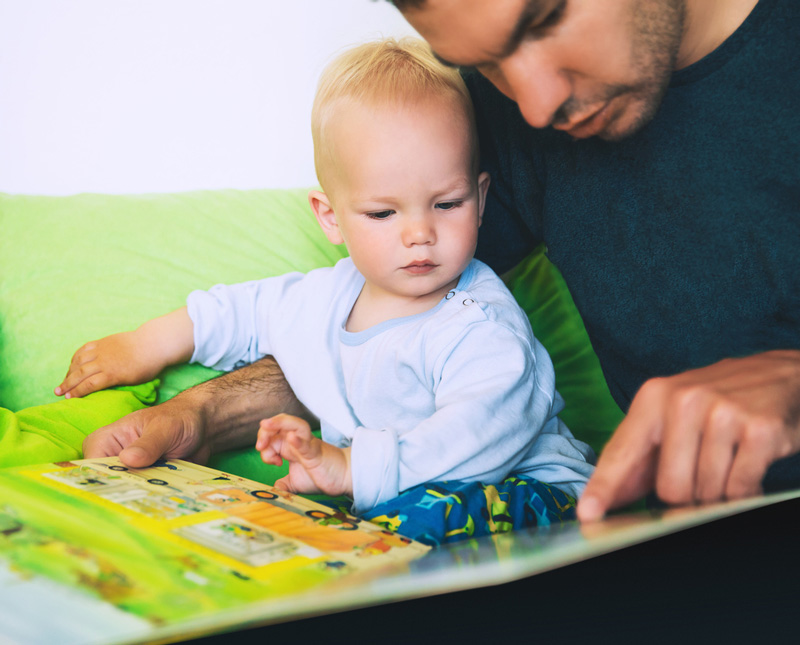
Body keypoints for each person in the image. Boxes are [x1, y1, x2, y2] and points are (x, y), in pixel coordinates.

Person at [73, 0, 800, 522]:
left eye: (545, 17)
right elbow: (386, 329)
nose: (537, 107)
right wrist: (198, 413)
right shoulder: (488, 125)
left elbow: (488, 381)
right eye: (483, 64)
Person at [58, 38, 594, 521]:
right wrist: (145, 344)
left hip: (535, 493)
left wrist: (352, 470)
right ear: (330, 217)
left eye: (446, 204)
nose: (419, 234)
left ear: (480, 200)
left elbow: (482, 431)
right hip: (406, 496)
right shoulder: (327, 299)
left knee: (401, 529)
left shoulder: (479, 321)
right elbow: (246, 311)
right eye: (383, 214)